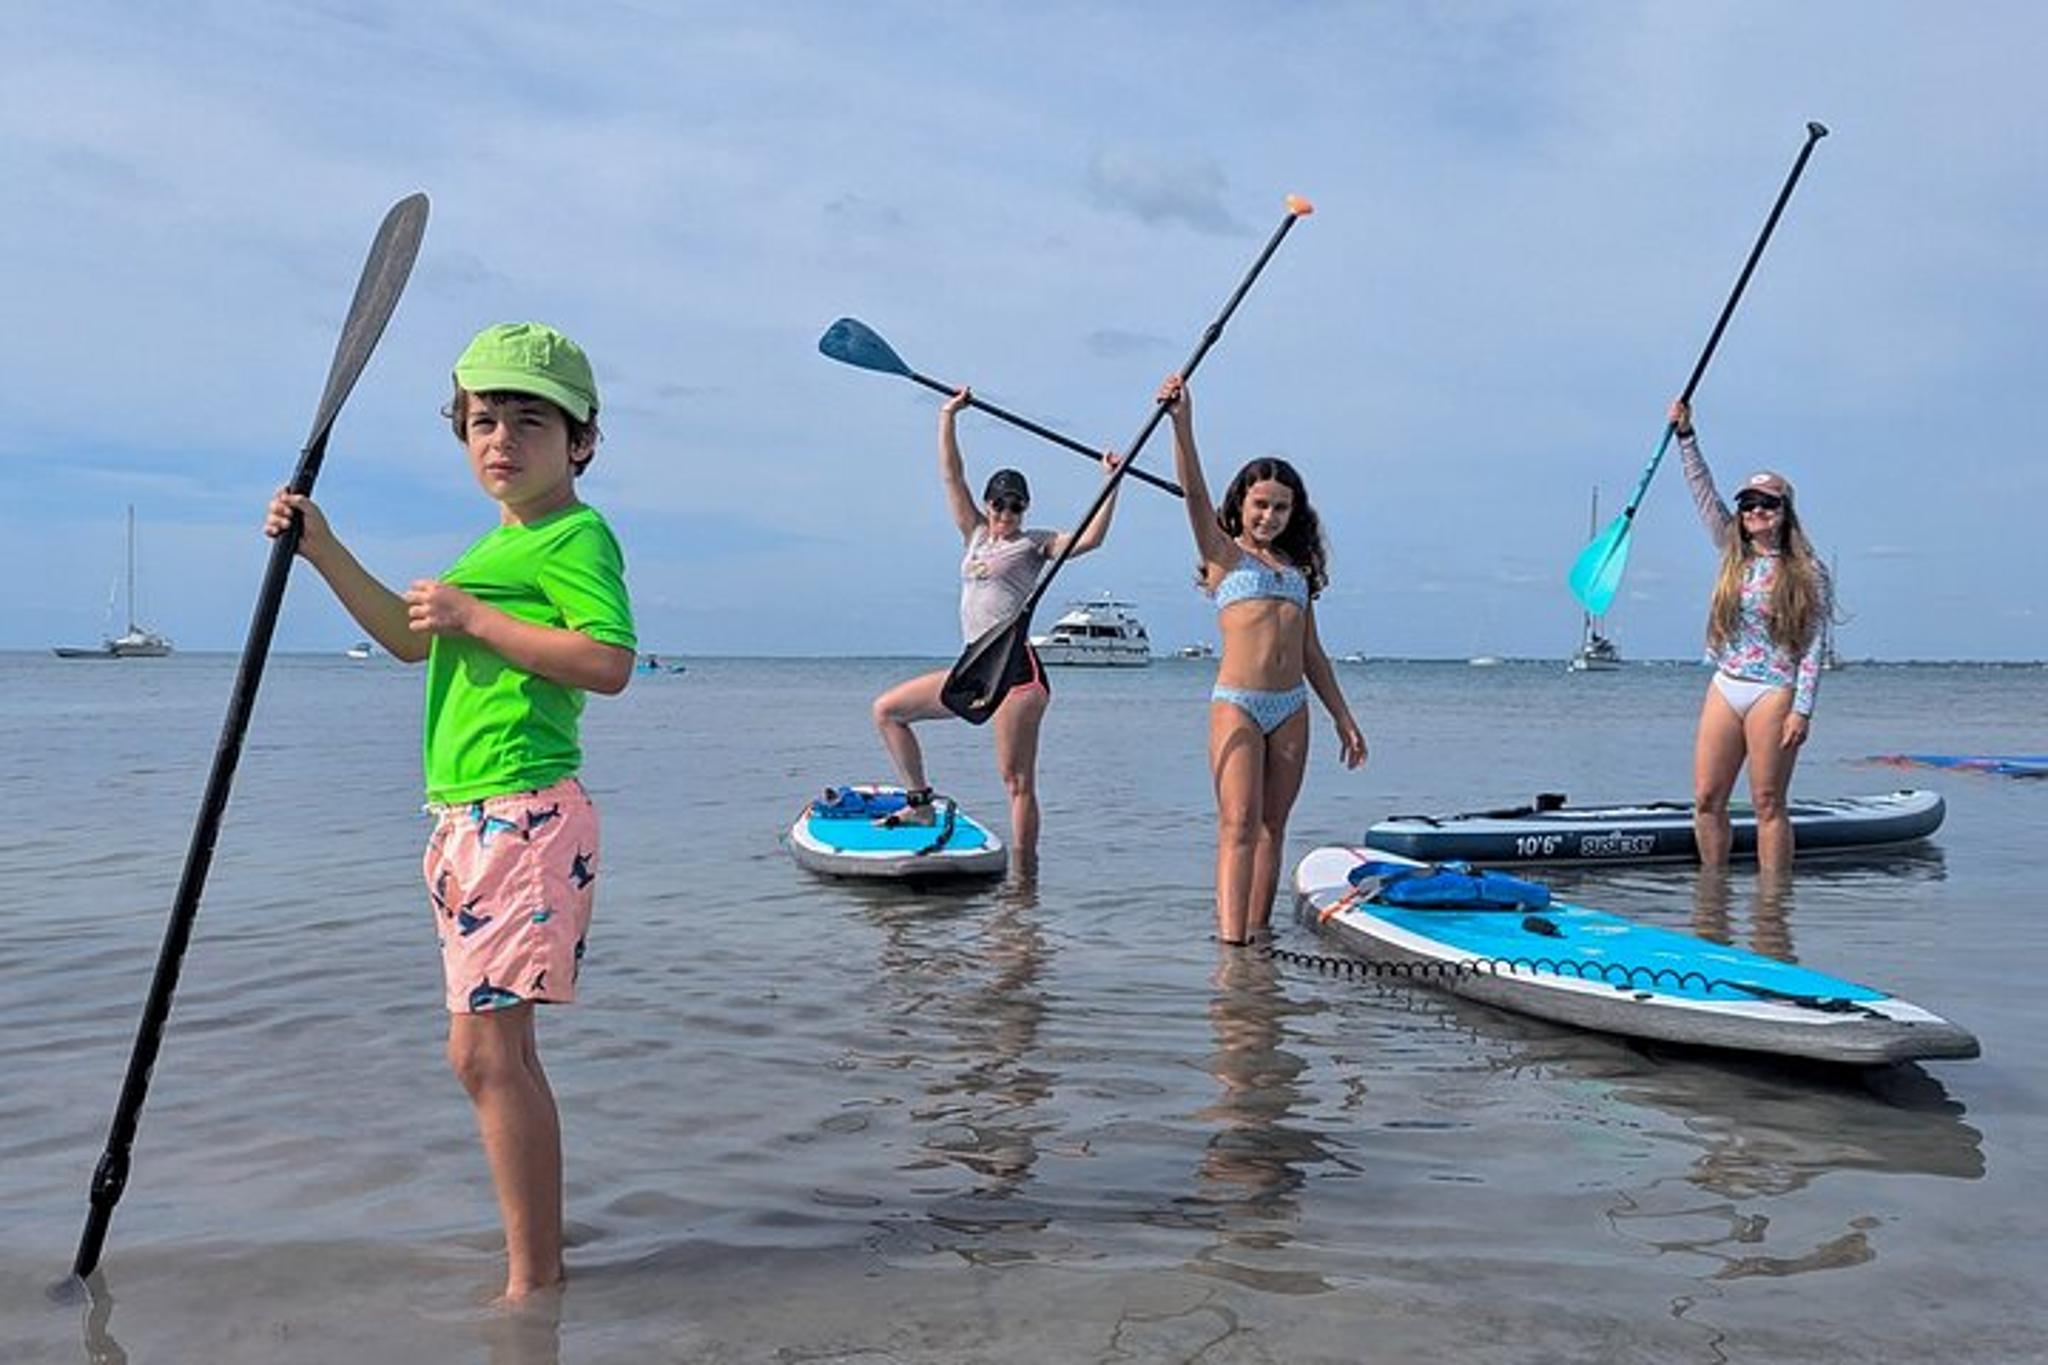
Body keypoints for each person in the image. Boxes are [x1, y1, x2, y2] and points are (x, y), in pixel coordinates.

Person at [264, 322, 635, 1300]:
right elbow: (403, 638)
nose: (500, 439)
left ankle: (532, 1284)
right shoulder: (496, 544)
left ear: (581, 442)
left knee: (483, 1053)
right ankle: (536, 1264)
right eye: (481, 421)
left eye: (527, 420)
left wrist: (478, 619)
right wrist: (324, 550)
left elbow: (608, 663)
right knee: (489, 1054)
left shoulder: (574, 535)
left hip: (523, 811)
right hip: (471, 819)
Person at [869, 387, 1121, 878]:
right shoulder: (975, 535)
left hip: (1017, 675)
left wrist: (1111, 483)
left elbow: (1091, 538)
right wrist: (948, 416)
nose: (1007, 516)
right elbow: (951, 475)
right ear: (987, 506)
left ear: (1024, 510)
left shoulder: (1034, 544)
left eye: (1016, 508)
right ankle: (920, 801)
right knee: (888, 711)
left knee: (1016, 780)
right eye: (1000, 506)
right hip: (975, 668)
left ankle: (1025, 882)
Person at [1161, 376, 1367, 945]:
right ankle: (1231, 949)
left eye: (1280, 507)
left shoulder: (1297, 573)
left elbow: (1311, 652)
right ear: (1242, 504)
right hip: (1239, 707)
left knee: (1274, 827)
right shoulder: (1223, 557)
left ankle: (1258, 938)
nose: (1269, 516)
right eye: (1260, 505)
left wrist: (1343, 718)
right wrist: (1183, 423)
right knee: (1238, 825)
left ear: (1293, 513)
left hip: (1292, 707)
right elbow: (1195, 495)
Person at [1674, 398, 1831, 872]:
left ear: (1785, 511)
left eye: (1768, 503)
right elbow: (1703, 492)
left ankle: (1772, 915)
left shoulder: (1807, 571)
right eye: (1749, 503)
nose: (1756, 510)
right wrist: (1686, 438)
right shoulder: (1732, 552)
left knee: (1767, 803)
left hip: (1774, 690)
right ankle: (1712, 899)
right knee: (1706, 798)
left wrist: (1802, 710)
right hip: (1728, 682)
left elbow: (1814, 646)